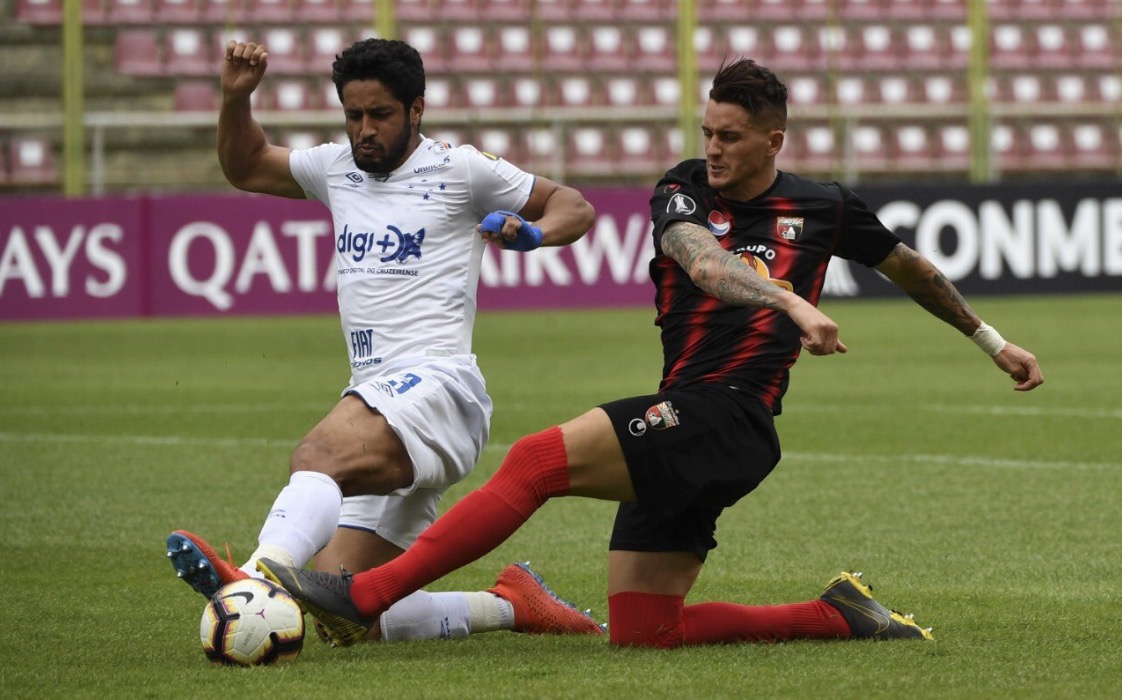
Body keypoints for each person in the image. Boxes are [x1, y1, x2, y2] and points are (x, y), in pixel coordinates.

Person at [258, 57, 1045, 649]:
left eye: (730, 137)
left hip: (731, 417)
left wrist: (992, 341)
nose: (713, 150)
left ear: (774, 139)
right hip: (689, 416)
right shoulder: (684, 190)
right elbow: (702, 261)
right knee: (645, 629)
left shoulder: (826, 206)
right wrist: (791, 298)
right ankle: (836, 616)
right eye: (707, 132)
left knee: (537, 462)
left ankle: (364, 597)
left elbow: (911, 268)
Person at [165, 37, 606, 643]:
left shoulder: (460, 168)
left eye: (380, 115)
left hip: (442, 388)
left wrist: (532, 231)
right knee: (343, 611)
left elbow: (574, 206)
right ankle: (511, 604)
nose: (364, 130)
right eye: (353, 116)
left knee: (316, 457)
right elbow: (246, 166)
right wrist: (235, 100)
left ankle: (252, 579)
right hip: (377, 398)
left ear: (416, 110)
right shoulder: (334, 169)